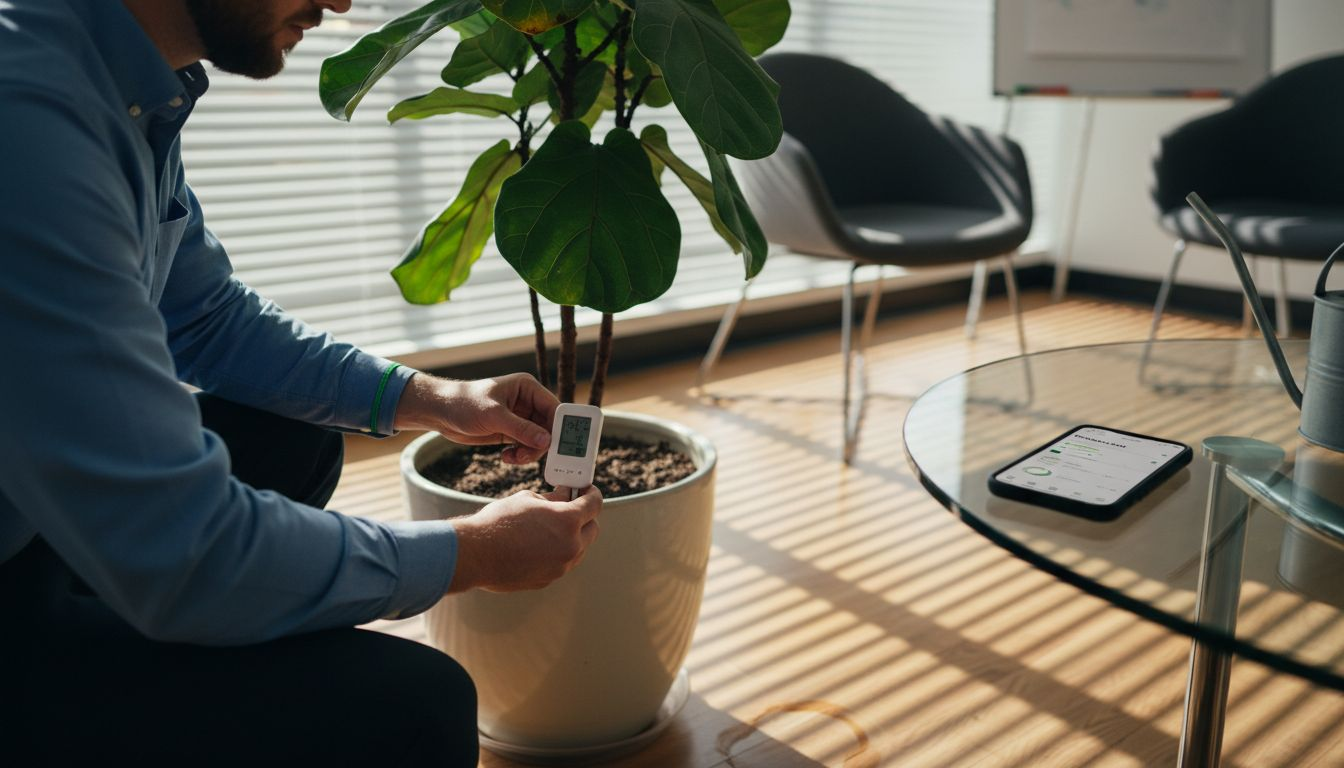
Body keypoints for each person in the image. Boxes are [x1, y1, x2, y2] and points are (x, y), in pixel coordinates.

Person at [0, 0, 603, 763]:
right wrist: (470, 554)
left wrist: (436, 399)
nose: (346, 1)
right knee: (417, 707)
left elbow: (208, 318)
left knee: (294, 439)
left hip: (33, 513)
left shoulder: (127, 84)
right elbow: (188, 544)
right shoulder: (29, 122)